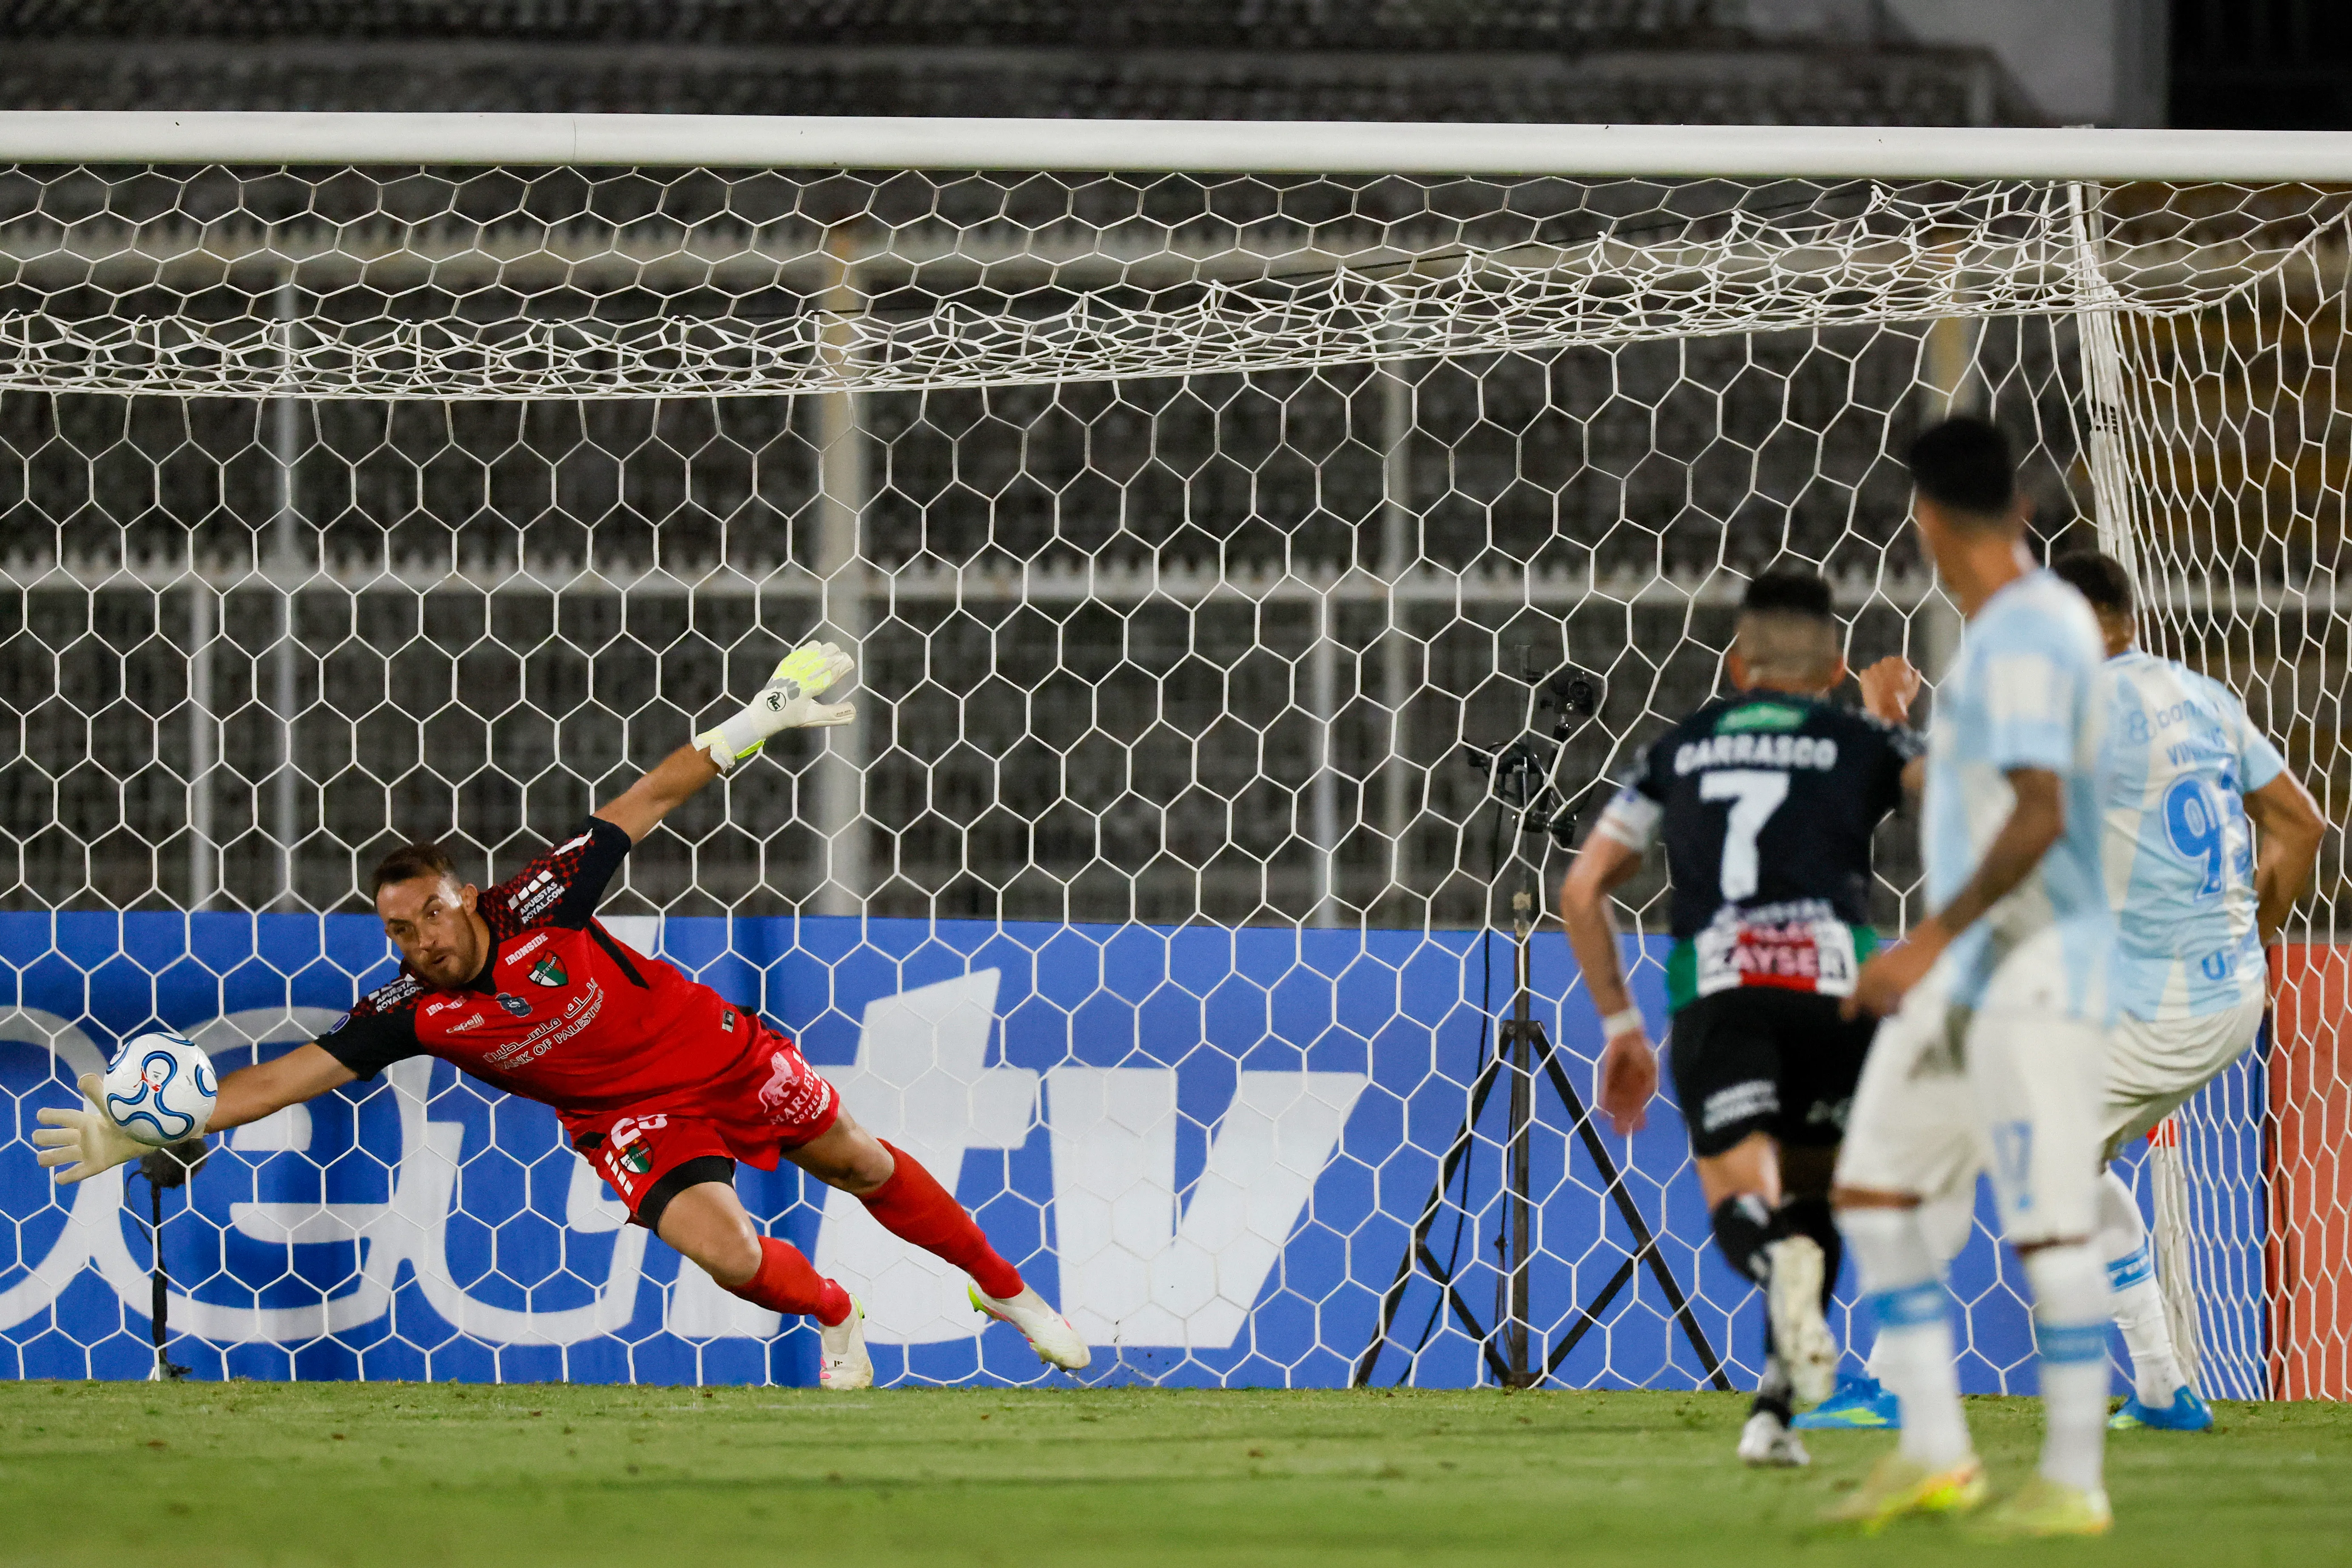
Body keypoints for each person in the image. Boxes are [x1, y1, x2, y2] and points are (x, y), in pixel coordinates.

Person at [36, 641, 1089, 1391]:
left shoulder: (542, 899)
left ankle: (1001, 1289)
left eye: (430, 916)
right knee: (727, 1256)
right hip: (633, 1120)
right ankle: (834, 1313)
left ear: (462, 895)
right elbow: (278, 1078)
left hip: (719, 1054)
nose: (418, 941)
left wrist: (758, 718)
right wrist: (145, 1124)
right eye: (398, 931)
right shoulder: (410, 1009)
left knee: (858, 1161)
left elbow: (649, 799)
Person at [1805, 550, 2326, 1440]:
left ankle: (1896, 1385)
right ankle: (2163, 1385)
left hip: (2148, 1012)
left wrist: (1885, 720)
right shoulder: (2200, 696)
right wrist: (2255, 936)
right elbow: (2300, 825)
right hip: (2222, 997)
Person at [1560, 564, 1924, 1469]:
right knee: (1809, 1198)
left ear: (1734, 664)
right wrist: (1888, 722)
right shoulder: (1857, 736)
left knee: (1742, 1199)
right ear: (1835, 665)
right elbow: (1966, 807)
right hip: (1837, 993)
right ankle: (1772, 1414)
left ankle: (1772, 1288)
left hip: (1721, 987)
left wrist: (1619, 1027)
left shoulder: (1676, 750)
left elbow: (1581, 887)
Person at [1826, 416, 2118, 1537]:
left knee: (2049, 1225)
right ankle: (1937, 1451)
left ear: (1925, 519)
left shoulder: (2035, 631)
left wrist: (1927, 940)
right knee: (1874, 1182)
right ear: (2022, 508)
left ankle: (2075, 1480)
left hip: (2034, 965)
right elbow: (1981, 798)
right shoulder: (2003, 634)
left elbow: (2039, 817)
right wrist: (1890, 741)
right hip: (1971, 973)